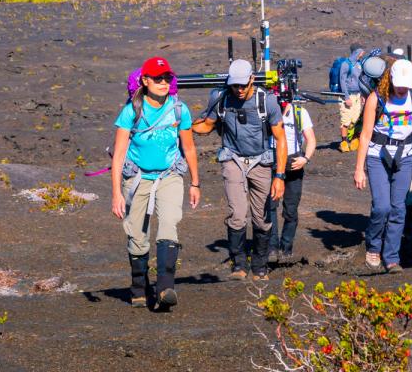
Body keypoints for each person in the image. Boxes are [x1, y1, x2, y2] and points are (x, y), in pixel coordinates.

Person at [110, 56, 200, 310]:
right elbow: (118, 156)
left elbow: (189, 148)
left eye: (167, 78)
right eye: (157, 78)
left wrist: (195, 182)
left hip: (169, 175)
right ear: (145, 80)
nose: (163, 83)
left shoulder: (180, 110)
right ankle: (139, 287)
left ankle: (165, 288)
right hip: (137, 178)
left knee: (170, 223)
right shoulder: (131, 111)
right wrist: (116, 193)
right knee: (137, 236)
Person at [192, 58, 287, 281]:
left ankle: (260, 266)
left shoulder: (268, 102)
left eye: (244, 84)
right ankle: (239, 264)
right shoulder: (220, 98)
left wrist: (280, 176)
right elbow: (207, 125)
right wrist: (183, 124)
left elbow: (280, 138)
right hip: (232, 158)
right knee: (237, 215)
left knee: (262, 218)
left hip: (261, 162)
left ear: (252, 79)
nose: (240, 89)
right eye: (235, 85)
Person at [353, 58, 412, 272]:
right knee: (381, 207)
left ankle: (391, 258)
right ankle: (373, 247)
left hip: (406, 156)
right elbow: (366, 134)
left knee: (399, 209)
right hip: (377, 155)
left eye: (406, 85)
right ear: (391, 78)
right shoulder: (376, 98)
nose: (402, 89)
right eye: (399, 84)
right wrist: (359, 169)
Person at [268, 94, 317, 263]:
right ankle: (272, 248)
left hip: (294, 163)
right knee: (270, 207)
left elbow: (311, 140)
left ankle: (286, 248)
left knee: (291, 209)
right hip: (272, 163)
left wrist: (305, 158)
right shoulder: (267, 110)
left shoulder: (299, 112)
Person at [338, 46, 365, 153]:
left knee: (356, 119)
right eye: (361, 52)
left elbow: (360, 80)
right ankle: (344, 142)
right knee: (346, 120)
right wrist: (346, 97)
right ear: (356, 52)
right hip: (348, 96)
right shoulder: (345, 64)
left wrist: (363, 94)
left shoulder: (359, 64)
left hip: (358, 95)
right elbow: (342, 81)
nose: (362, 54)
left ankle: (354, 140)